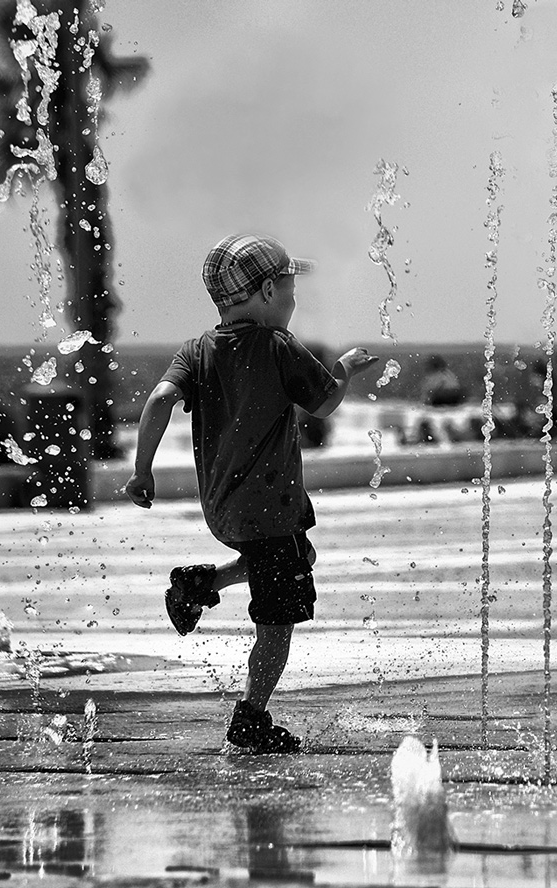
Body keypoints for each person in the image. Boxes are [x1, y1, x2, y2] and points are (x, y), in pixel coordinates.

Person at [124, 234, 378, 755]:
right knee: (276, 624)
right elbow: (325, 403)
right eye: (289, 289)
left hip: (223, 510)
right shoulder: (277, 347)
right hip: (271, 508)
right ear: (266, 291)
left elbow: (159, 399)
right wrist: (347, 369)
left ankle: (199, 583)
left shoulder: (196, 350)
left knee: (292, 557)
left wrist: (142, 472)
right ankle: (251, 716)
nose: (292, 300)